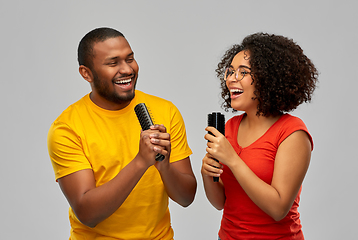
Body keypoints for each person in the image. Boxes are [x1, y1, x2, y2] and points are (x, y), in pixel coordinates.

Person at [47, 27, 197, 240]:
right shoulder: (67, 128)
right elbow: (87, 214)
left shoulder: (166, 111)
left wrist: (164, 166)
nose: (127, 69)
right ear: (86, 73)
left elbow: (186, 197)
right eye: (113, 62)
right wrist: (140, 162)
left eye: (130, 59)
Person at [201, 33, 318, 239]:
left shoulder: (293, 133)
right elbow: (220, 203)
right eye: (230, 71)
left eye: (243, 72)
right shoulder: (229, 127)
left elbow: (278, 208)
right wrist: (207, 174)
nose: (231, 79)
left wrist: (232, 160)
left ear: (268, 78)